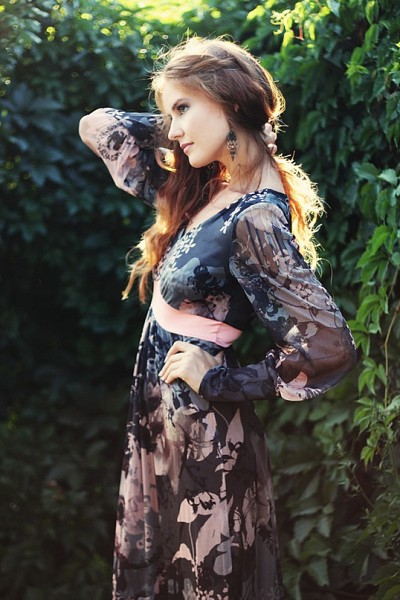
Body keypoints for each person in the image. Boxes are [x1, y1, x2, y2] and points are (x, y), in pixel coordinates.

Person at [79, 37, 357, 600]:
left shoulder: (256, 217)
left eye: (183, 109)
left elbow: (329, 346)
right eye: (168, 115)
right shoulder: (210, 186)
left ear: (228, 98)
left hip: (205, 437)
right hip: (164, 418)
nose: (174, 129)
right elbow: (98, 125)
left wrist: (222, 380)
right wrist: (187, 122)